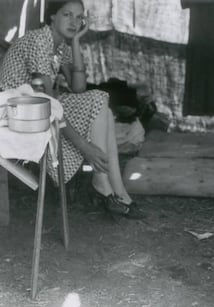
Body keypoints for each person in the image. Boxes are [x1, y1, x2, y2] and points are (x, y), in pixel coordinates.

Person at [0, 0, 145, 220]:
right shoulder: (39, 40)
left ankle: (117, 191)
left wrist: (76, 41)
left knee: (103, 109)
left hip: (32, 107)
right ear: (52, 17)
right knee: (99, 100)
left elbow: (79, 88)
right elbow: (47, 104)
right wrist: (84, 146)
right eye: (67, 15)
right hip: (13, 111)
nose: (74, 22)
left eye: (79, 17)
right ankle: (104, 183)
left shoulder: (60, 46)